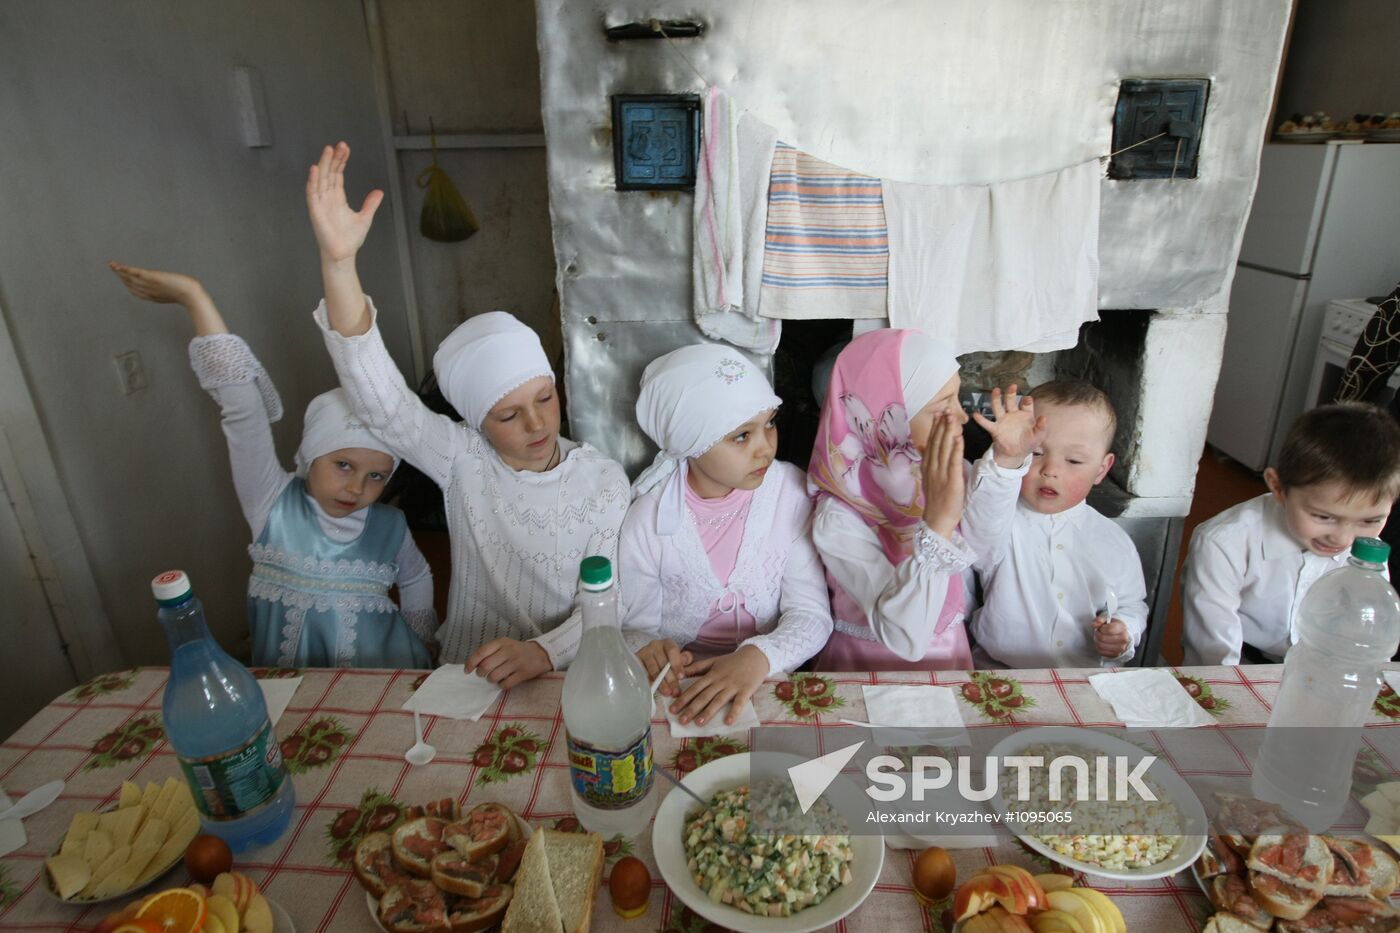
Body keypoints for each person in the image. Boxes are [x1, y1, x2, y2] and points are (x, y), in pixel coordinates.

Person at [305, 142, 628, 687]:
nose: (536, 425)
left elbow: (611, 600)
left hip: (565, 673)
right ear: (474, 422)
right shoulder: (462, 459)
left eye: (545, 399)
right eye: (508, 415)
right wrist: (339, 264)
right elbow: (377, 396)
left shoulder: (603, 481)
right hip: (466, 671)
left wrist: (542, 654)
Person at [109, 261, 436, 668]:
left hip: (383, 677)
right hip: (292, 686)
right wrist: (195, 298)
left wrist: (423, 641)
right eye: (343, 465)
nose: (356, 489)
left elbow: (417, 576)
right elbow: (243, 411)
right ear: (309, 456)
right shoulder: (271, 502)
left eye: (376, 476)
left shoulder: (391, 525)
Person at [619, 344, 833, 727]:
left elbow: (812, 614)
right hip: (679, 691)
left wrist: (759, 657)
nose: (765, 448)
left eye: (769, 423)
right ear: (691, 445)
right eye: (741, 436)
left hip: (767, 677)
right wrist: (647, 651)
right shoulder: (649, 519)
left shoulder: (789, 493)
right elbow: (634, 627)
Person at [807, 328, 1041, 670]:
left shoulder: (946, 470)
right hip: (865, 668)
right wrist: (937, 525)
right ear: (888, 417)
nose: (961, 417)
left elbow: (983, 551)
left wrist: (1006, 462)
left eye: (957, 399)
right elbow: (905, 638)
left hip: (949, 655)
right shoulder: (840, 515)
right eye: (941, 408)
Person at [1182, 401, 1400, 666]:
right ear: (1278, 487)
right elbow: (1212, 656)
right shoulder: (1223, 543)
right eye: (1323, 517)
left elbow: (1366, 640)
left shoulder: (1368, 554)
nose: (1343, 540)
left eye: (1370, 520)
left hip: (1322, 670)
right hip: (1243, 665)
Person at [970, 379, 1148, 669]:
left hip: (1088, 678)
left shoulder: (1113, 539)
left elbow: (1132, 604)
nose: (1050, 470)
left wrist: (1124, 631)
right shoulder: (1002, 521)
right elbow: (979, 527)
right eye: (1036, 453)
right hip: (1000, 673)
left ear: (1101, 469)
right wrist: (1006, 460)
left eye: (1074, 461)